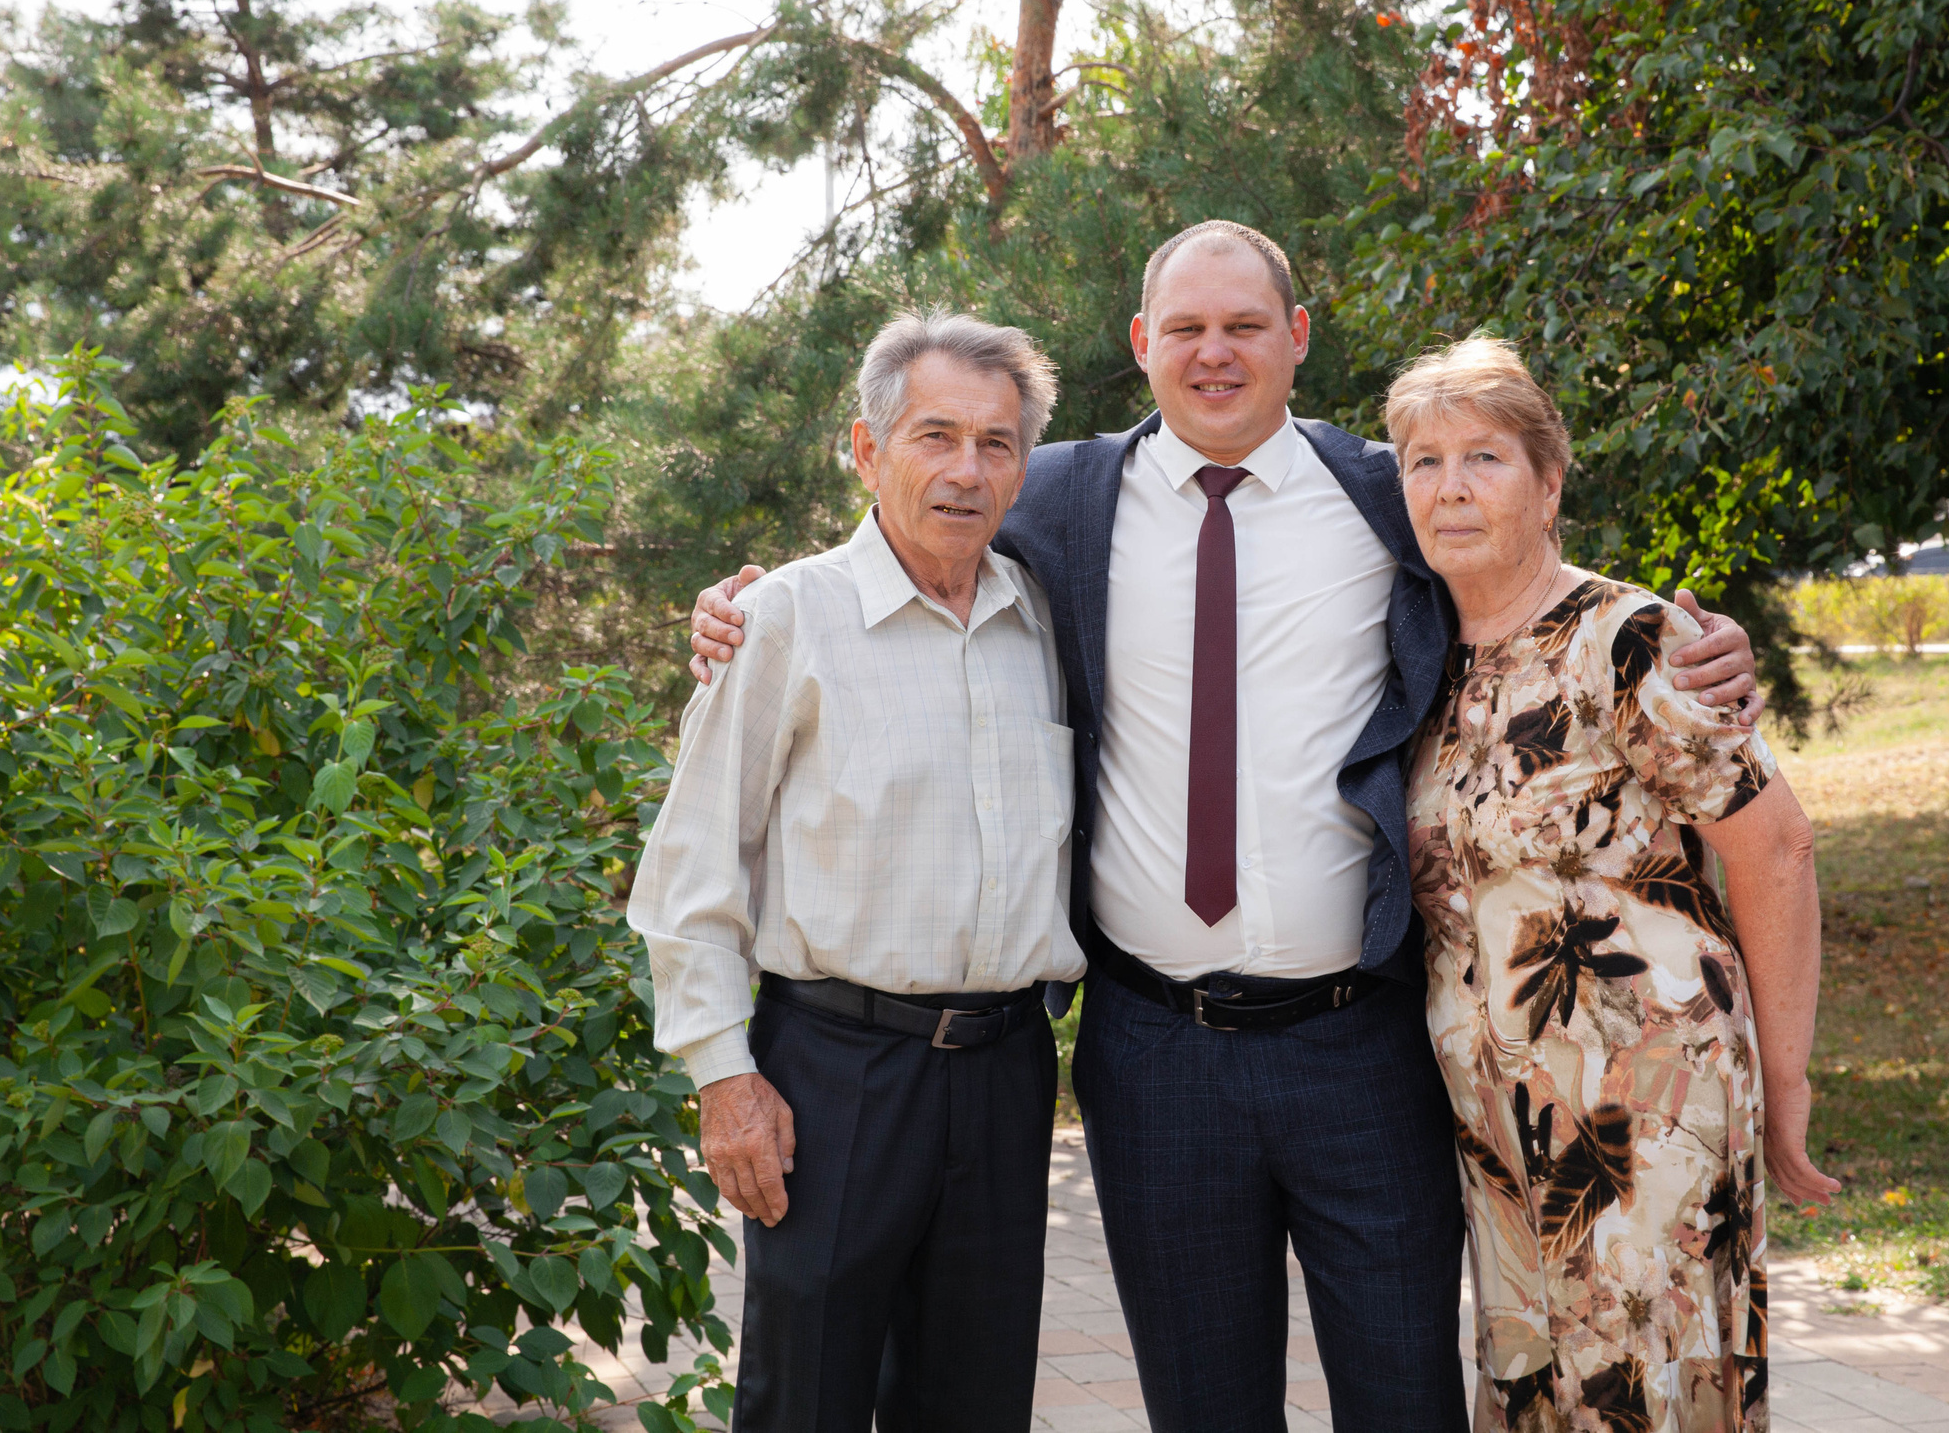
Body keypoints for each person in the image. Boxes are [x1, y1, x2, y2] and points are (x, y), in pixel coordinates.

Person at [686, 220, 1768, 1431]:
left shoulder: (1382, 490)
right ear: (1141, 345)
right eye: (1186, 330)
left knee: (1403, 1399)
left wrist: (1689, 649)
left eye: (1244, 326)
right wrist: (747, 605)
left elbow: (1516, 558)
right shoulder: (1058, 498)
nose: (1215, 354)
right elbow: (915, 521)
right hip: (1157, 1053)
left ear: (1295, 340)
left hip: (1359, 1047)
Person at [628, 311, 1087, 1433]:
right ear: (868, 449)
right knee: (808, 1400)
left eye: (994, 443)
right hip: (830, 1075)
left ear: (1024, 466)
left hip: (1006, 1070)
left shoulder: (1050, 621)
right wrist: (721, 1076)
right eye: (934, 436)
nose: (966, 471)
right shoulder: (784, 618)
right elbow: (694, 864)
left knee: (974, 1404)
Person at [1387, 336, 1837, 1431]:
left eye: (1483, 459)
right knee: (1536, 1383)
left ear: (1548, 483)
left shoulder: (1631, 641)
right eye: (1422, 462)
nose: (1449, 488)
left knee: (1637, 1386)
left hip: (1646, 1113)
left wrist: (1786, 1089)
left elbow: (1774, 850)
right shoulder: (1418, 659)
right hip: (1500, 1130)